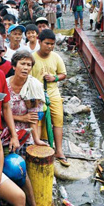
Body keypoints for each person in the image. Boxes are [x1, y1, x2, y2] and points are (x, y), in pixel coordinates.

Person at [30, 29, 69, 166]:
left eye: (52, 44)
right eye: (47, 43)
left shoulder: (56, 57)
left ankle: (59, 151)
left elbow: (63, 74)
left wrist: (54, 78)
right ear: (39, 42)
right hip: (36, 96)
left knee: (58, 121)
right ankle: (40, 150)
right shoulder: (32, 58)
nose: (50, 47)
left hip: (53, 93)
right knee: (38, 122)